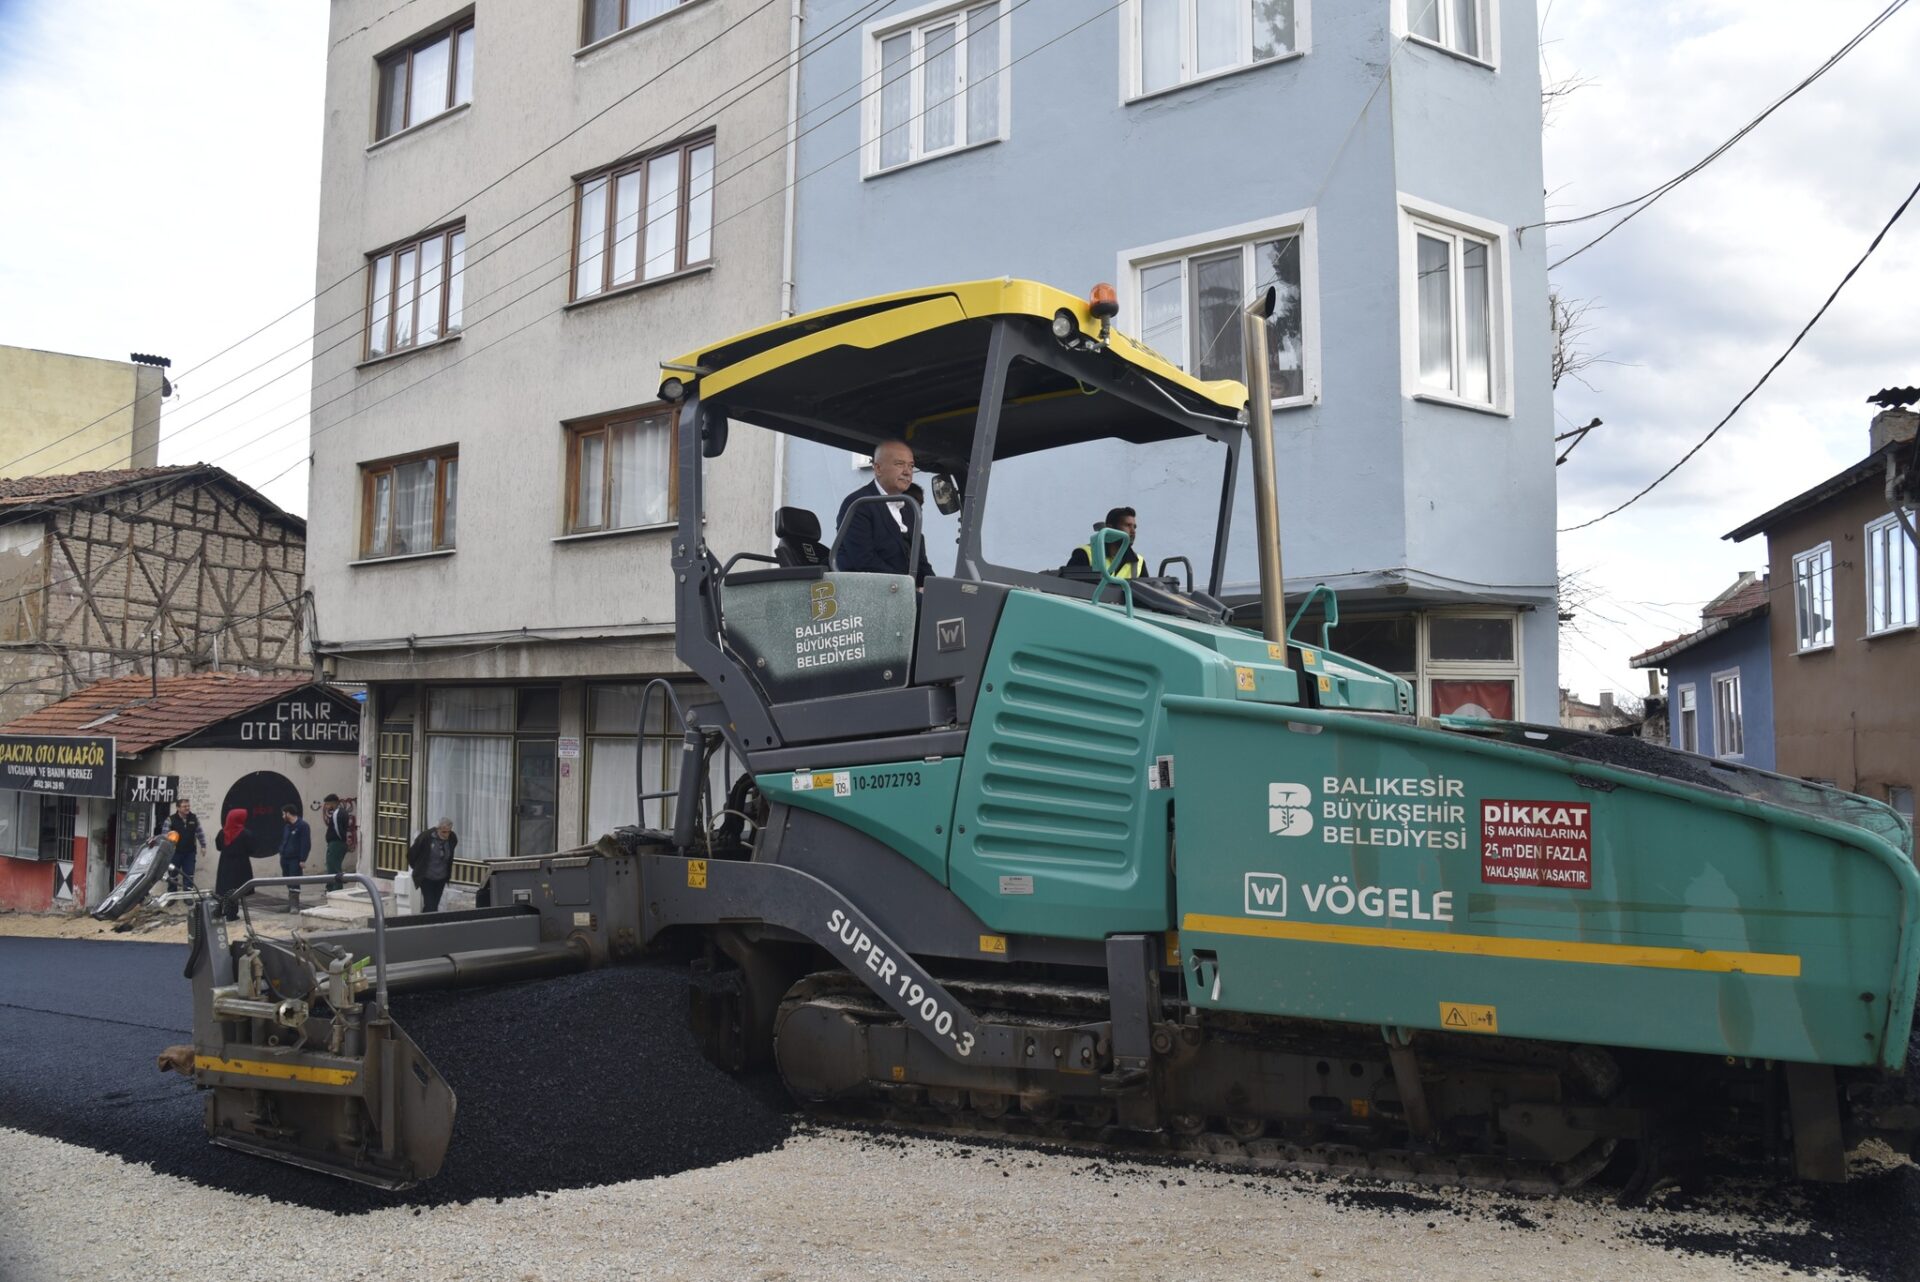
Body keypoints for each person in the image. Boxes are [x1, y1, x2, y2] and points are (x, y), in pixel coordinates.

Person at [836, 438, 935, 582]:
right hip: (871, 591)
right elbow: (864, 561)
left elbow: (921, 562)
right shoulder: (858, 504)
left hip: (902, 590)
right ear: (878, 468)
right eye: (899, 464)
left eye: (911, 466)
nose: (907, 472)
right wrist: (908, 588)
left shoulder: (910, 508)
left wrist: (934, 587)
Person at [1066, 506, 1146, 578]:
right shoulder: (1085, 554)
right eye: (1127, 525)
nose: (1133, 531)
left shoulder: (1139, 562)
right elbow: (1070, 588)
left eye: (1134, 527)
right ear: (1110, 529)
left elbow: (1145, 592)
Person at [212, 808, 256, 923]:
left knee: (225, 888)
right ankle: (232, 914)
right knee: (237, 889)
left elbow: (218, 846)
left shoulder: (222, 833)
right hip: (240, 865)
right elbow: (252, 849)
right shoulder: (245, 834)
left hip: (225, 864)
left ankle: (222, 911)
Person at [408, 818, 458, 913]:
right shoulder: (426, 837)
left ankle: (423, 923)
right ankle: (429, 924)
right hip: (427, 878)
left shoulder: (452, 838)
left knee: (434, 904)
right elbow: (411, 854)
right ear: (438, 829)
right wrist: (418, 868)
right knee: (430, 905)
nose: (446, 834)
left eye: (448, 831)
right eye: (444, 832)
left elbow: (451, 850)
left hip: (441, 878)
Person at [163, 798, 205, 892]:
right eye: (184, 806)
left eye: (188, 806)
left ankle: (188, 896)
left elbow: (199, 833)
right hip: (174, 853)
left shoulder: (194, 818)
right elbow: (165, 836)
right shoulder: (170, 820)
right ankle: (172, 895)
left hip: (190, 853)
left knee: (189, 875)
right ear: (178, 808)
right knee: (172, 875)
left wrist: (203, 846)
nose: (187, 808)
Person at [278, 804, 312, 914]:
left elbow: (305, 843)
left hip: (295, 859)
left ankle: (294, 905)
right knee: (287, 880)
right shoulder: (287, 826)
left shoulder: (303, 826)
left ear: (288, 813)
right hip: (285, 858)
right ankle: (290, 904)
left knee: (294, 881)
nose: (283, 816)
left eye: (284, 814)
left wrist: (303, 859)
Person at [321, 794, 351, 891]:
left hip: (336, 843)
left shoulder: (337, 813)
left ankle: (335, 889)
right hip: (338, 843)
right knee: (333, 865)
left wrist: (341, 840)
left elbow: (337, 829)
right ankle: (331, 888)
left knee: (333, 867)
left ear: (332, 803)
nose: (326, 806)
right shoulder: (343, 812)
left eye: (327, 804)